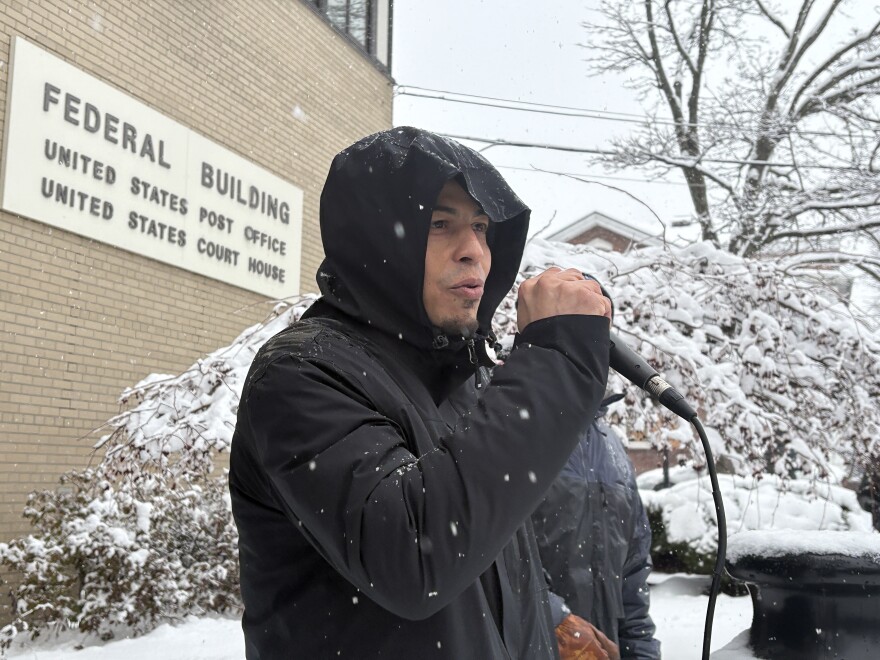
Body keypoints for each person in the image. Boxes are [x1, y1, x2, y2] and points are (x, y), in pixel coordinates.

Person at [228, 126, 614, 659]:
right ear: (375, 240)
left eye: (481, 227)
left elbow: (483, 554)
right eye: (440, 224)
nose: (475, 251)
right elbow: (413, 555)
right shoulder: (300, 374)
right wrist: (555, 361)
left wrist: (544, 618)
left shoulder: (467, 377)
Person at [533, 389, 661, 659]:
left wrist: (640, 652)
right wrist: (556, 621)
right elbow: (489, 563)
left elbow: (633, 569)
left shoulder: (612, 450)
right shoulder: (509, 429)